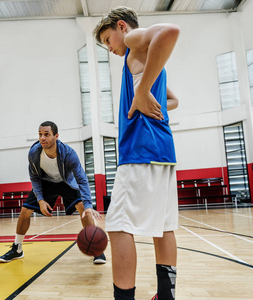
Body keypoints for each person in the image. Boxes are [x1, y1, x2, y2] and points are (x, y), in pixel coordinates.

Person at [93, 6, 180, 300]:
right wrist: (146, 93)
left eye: (107, 39)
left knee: (117, 226)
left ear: (121, 27)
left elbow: (170, 31)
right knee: (163, 226)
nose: (109, 47)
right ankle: (166, 297)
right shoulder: (151, 62)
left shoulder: (132, 42)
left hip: (141, 150)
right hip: (164, 151)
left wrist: (142, 91)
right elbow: (173, 100)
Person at [0, 121, 106, 264]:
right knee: (25, 210)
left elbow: (82, 179)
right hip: (46, 182)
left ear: (56, 136)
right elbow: (34, 178)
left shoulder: (69, 153)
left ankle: (96, 249)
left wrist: (88, 205)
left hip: (66, 182)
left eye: (47, 134)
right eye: (40, 134)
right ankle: (17, 248)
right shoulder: (34, 153)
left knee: (82, 208)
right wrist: (41, 200)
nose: (42, 138)